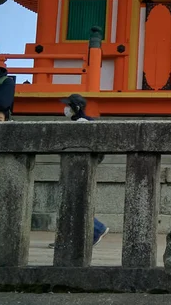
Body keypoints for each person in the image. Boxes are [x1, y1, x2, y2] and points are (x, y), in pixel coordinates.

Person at [49, 93, 109, 248]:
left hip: (79, 168)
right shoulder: (84, 122)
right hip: (79, 168)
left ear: (75, 108)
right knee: (74, 203)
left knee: (73, 203)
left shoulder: (82, 123)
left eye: (68, 106)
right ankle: (88, 233)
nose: (65, 109)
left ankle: (96, 228)